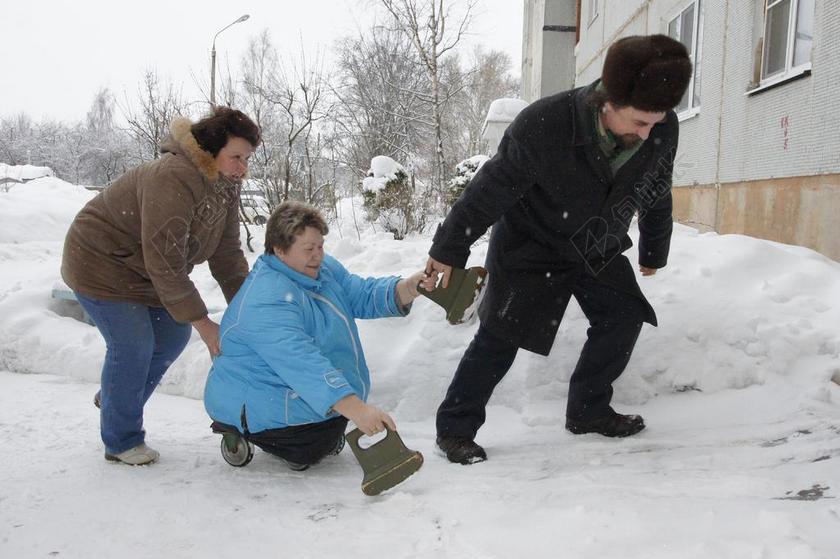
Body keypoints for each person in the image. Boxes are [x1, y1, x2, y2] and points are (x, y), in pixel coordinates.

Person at [424, 35, 693, 464]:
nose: (648, 133)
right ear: (609, 101)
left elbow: (657, 186)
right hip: (532, 244)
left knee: (624, 316)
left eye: (657, 122)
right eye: (640, 122)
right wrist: (449, 248)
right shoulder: (545, 124)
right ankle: (455, 428)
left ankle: (588, 411)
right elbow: (489, 190)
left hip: (596, 240)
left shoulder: (662, 127)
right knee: (500, 336)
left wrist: (653, 249)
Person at [61, 107, 261, 465]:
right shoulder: (172, 177)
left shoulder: (226, 185)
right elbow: (166, 263)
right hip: (99, 263)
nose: (242, 167)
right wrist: (205, 325)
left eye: (246, 158)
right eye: (236, 157)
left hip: (143, 271)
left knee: (172, 336)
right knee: (133, 343)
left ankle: (116, 396)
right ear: (211, 149)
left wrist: (249, 311)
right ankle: (121, 440)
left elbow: (228, 256)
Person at [204, 201, 432, 471]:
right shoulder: (265, 300)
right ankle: (290, 441)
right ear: (279, 249)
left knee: (329, 423)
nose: (318, 255)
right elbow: (302, 363)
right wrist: (357, 410)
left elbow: (358, 293)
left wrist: (407, 288)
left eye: (320, 246)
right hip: (259, 403)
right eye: (309, 249)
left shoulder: (319, 269)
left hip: (297, 394)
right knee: (311, 446)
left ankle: (322, 428)